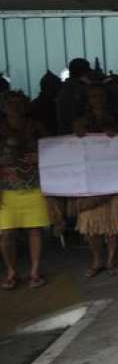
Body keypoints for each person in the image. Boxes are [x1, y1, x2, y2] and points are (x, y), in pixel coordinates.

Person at [74, 83, 118, 278]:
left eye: (101, 96)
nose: (97, 100)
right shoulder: (80, 122)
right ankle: (97, 259)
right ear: (89, 100)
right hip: (90, 179)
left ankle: (111, 259)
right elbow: (72, 146)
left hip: (113, 176)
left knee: (111, 224)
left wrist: (116, 134)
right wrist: (80, 135)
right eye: (94, 96)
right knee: (90, 224)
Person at [0, 92, 50, 289]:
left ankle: (34, 271)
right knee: (5, 234)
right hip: (5, 189)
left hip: (34, 185)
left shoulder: (36, 127)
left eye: (19, 103)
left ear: (25, 105)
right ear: (4, 107)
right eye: (10, 103)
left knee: (35, 230)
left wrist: (40, 156)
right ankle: (11, 270)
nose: (14, 107)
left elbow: (53, 148)